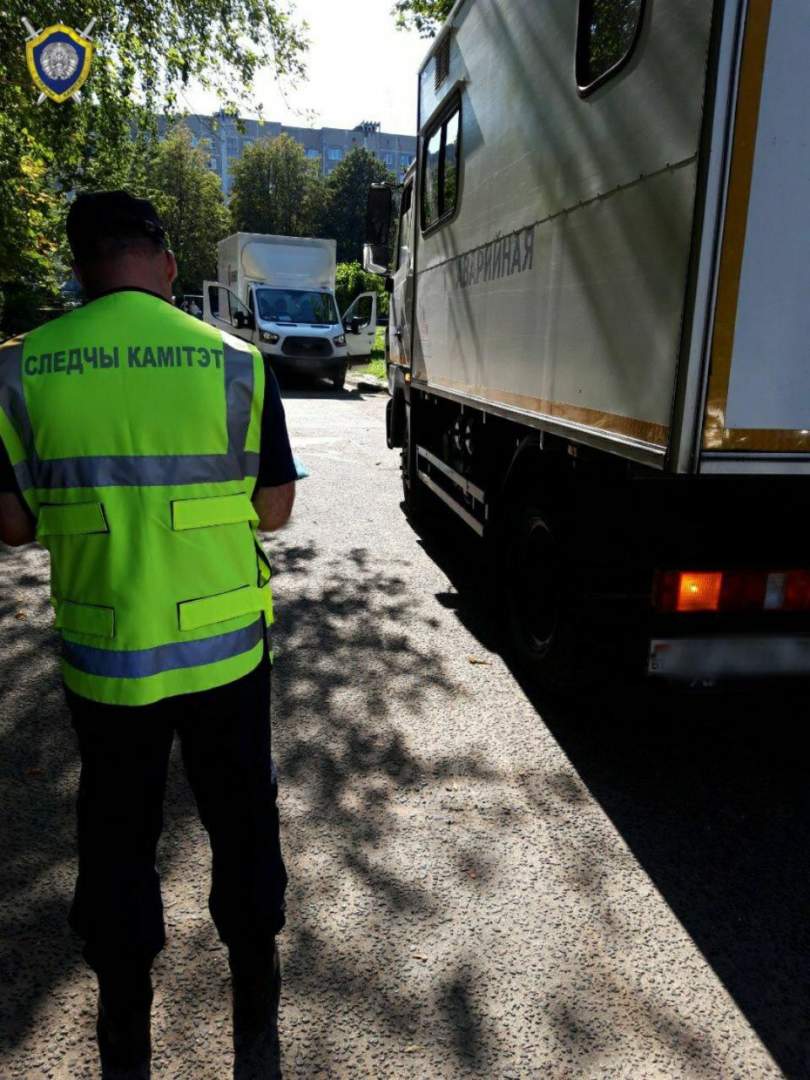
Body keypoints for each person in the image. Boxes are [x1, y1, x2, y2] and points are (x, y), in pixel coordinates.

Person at [0, 191, 295, 1078]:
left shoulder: (20, 371)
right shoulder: (235, 362)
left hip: (107, 663)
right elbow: (275, 512)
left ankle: (124, 1040)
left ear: (79, 270)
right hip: (227, 657)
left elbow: (12, 527)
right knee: (242, 828)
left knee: (117, 837)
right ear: (166, 265)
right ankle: (255, 1025)